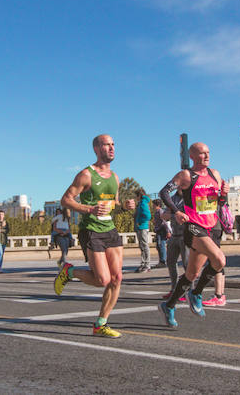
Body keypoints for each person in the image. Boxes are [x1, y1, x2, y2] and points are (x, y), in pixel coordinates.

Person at [54, 134, 136, 338]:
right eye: (107, 145)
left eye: (113, 144)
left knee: (117, 278)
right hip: (91, 230)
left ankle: (101, 324)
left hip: (110, 229)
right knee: (102, 280)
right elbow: (66, 200)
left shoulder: (115, 177)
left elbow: (113, 204)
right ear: (96, 149)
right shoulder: (86, 174)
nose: (112, 148)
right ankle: (69, 272)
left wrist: (124, 206)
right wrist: (88, 209)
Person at [158, 142, 229, 328]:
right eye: (202, 153)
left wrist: (224, 195)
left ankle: (168, 305)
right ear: (192, 156)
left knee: (192, 273)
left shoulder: (215, 174)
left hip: (211, 227)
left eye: (208, 152)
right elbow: (164, 192)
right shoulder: (186, 175)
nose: (206, 156)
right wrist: (176, 212)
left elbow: (219, 202)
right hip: (193, 227)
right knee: (220, 260)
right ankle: (196, 293)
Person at [159, 193, 189, 301]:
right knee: (171, 262)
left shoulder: (189, 196)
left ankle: (189, 292)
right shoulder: (172, 198)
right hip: (174, 235)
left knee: (187, 264)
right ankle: (174, 289)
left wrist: (174, 213)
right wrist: (175, 214)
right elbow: (164, 215)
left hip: (186, 235)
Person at [134, 189, 152, 273]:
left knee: (144, 246)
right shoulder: (141, 203)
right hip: (140, 227)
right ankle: (143, 263)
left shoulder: (143, 203)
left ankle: (147, 265)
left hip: (142, 227)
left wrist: (140, 222)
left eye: (136, 196)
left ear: (139, 196)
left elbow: (148, 216)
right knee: (142, 246)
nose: (135, 198)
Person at [152, 199, 171, 268]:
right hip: (158, 230)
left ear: (157, 205)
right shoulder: (156, 212)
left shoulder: (160, 211)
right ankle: (161, 261)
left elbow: (164, 222)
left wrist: (168, 231)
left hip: (162, 230)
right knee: (158, 246)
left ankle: (163, 261)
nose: (152, 206)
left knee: (161, 245)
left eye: (153, 204)